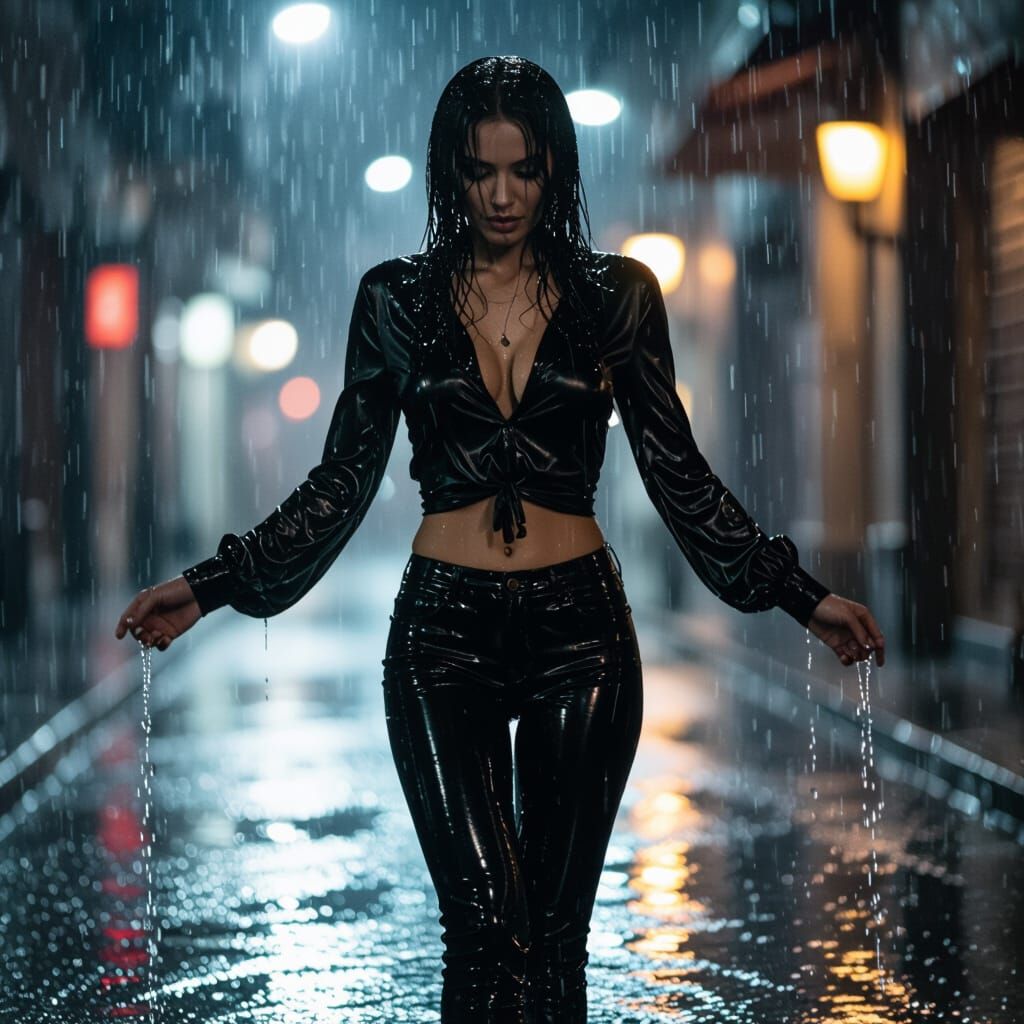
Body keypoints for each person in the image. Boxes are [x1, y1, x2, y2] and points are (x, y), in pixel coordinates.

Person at [115, 55, 885, 1024]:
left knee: (555, 943)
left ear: (555, 170)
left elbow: (678, 475)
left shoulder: (620, 296)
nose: (504, 194)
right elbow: (339, 481)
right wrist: (215, 582)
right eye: (481, 172)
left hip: (582, 636)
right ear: (451, 176)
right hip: (442, 637)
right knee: (483, 928)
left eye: (523, 170)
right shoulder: (394, 299)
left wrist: (800, 595)